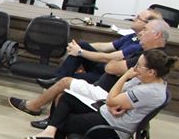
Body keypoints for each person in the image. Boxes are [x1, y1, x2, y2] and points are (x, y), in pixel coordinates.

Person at [22, 50, 174, 139]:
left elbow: (112, 98)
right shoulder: (146, 80)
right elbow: (116, 96)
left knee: (62, 121)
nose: (134, 68)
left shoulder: (150, 91)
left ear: (151, 72)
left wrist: (125, 76)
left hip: (113, 129)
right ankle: (49, 132)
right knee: (66, 97)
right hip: (108, 113)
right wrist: (114, 103)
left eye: (138, 66)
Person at [9, 19, 170, 118]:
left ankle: (37, 107)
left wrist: (82, 53)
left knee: (65, 83)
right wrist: (81, 50)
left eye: (145, 29)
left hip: (107, 91)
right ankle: (50, 119)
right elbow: (109, 53)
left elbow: (111, 67)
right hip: (107, 84)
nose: (141, 32)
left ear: (157, 35)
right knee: (79, 54)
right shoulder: (142, 48)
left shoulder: (150, 57)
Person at [35, 8, 164, 87]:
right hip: (103, 67)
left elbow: (108, 58)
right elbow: (107, 46)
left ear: (148, 24)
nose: (134, 19)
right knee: (82, 45)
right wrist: (77, 48)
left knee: (69, 78)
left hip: (107, 76)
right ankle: (57, 79)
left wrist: (80, 52)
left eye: (138, 18)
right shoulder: (132, 36)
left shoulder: (139, 45)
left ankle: (57, 80)